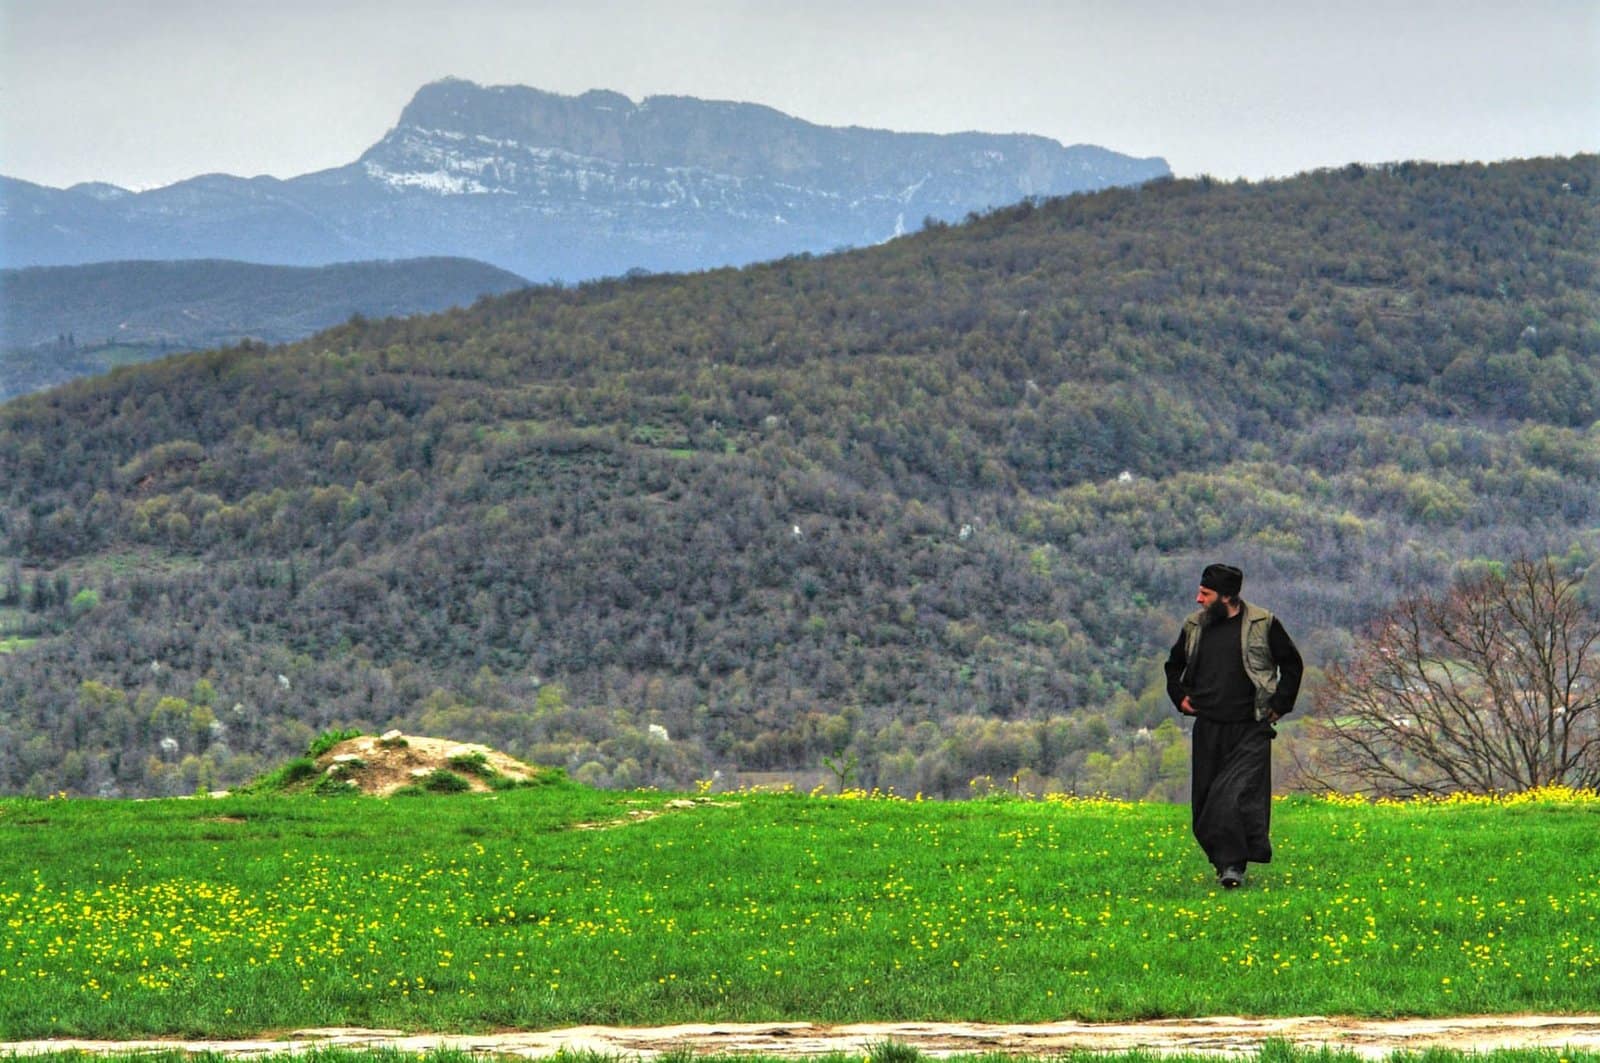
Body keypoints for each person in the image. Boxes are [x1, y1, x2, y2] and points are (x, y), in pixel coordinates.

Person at [1164, 563, 1303, 889]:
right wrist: (1179, 697)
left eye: (1205, 593)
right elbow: (1173, 666)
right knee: (1204, 804)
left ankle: (1233, 867)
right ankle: (1223, 860)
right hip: (1209, 726)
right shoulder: (1194, 626)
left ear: (1226, 596)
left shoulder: (1263, 624)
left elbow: (1292, 665)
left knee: (1233, 797)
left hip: (1250, 727)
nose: (1198, 599)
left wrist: (1280, 705)